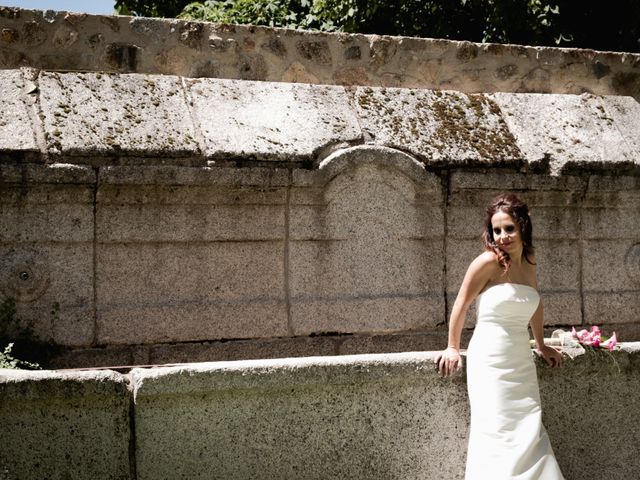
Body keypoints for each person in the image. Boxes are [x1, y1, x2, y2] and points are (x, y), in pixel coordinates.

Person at [436, 193, 565, 479]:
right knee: (497, 429)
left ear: (522, 226)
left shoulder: (529, 258)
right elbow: (461, 304)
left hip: (520, 358)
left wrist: (541, 345)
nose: (503, 236)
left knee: (528, 427)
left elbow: (535, 302)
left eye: (509, 228)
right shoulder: (487, 262)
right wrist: (452, 347)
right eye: (497, 230)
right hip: (490, 360)